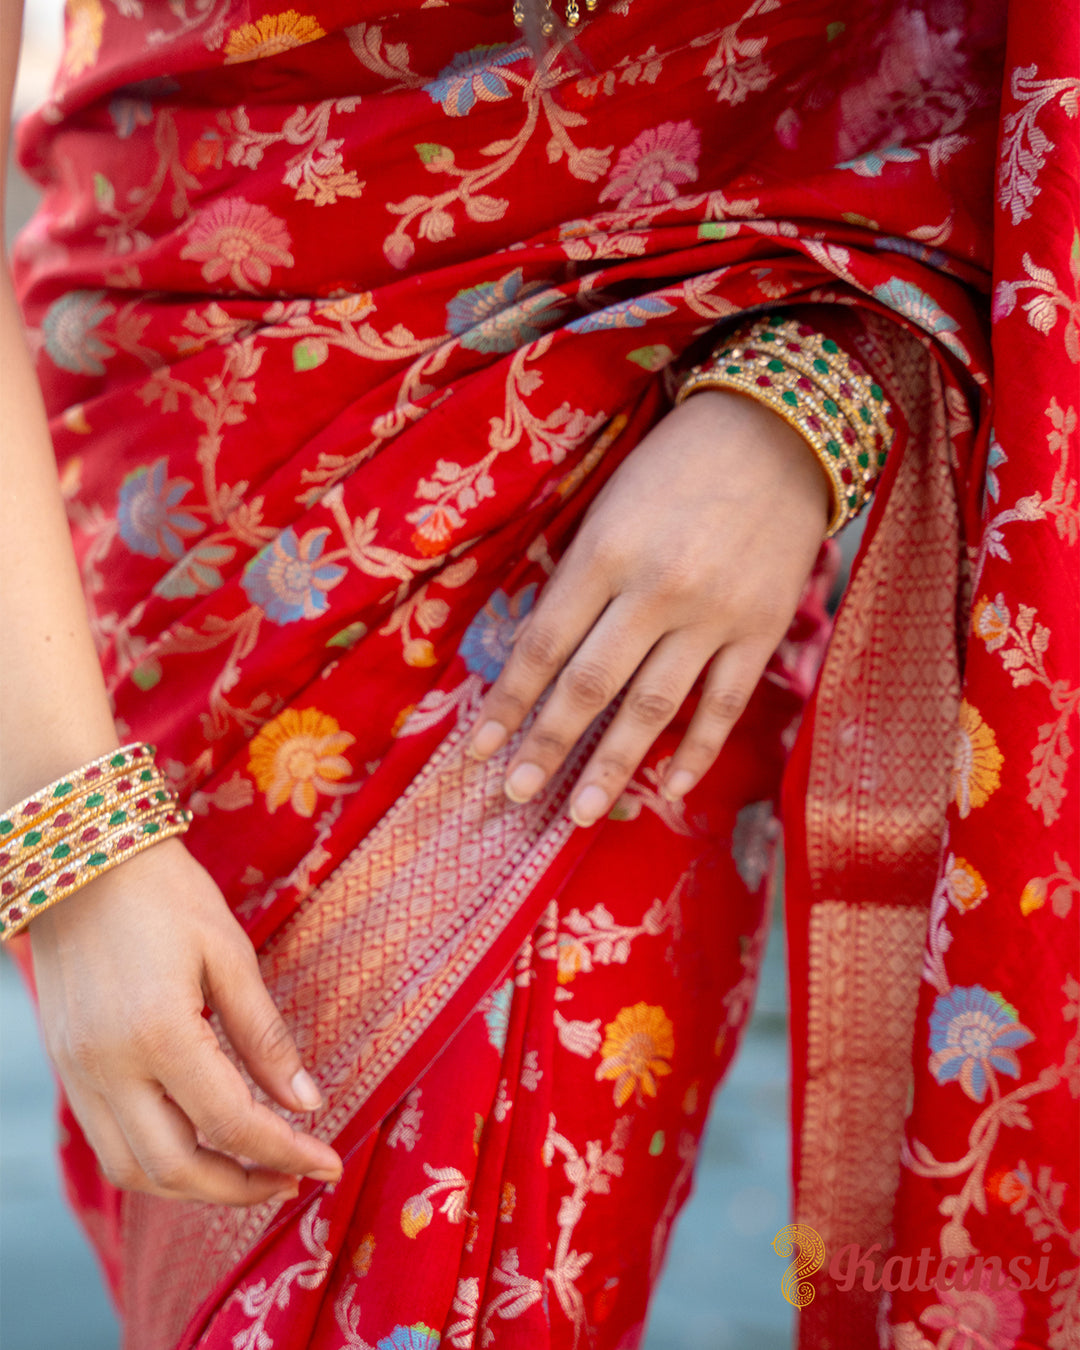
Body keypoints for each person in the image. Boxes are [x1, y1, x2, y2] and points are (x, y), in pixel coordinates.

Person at [0, 0, 1075, 1347]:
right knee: (227, 1202)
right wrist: (72, 847)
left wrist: (819, 391)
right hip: (209, 477)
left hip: (671, 496)